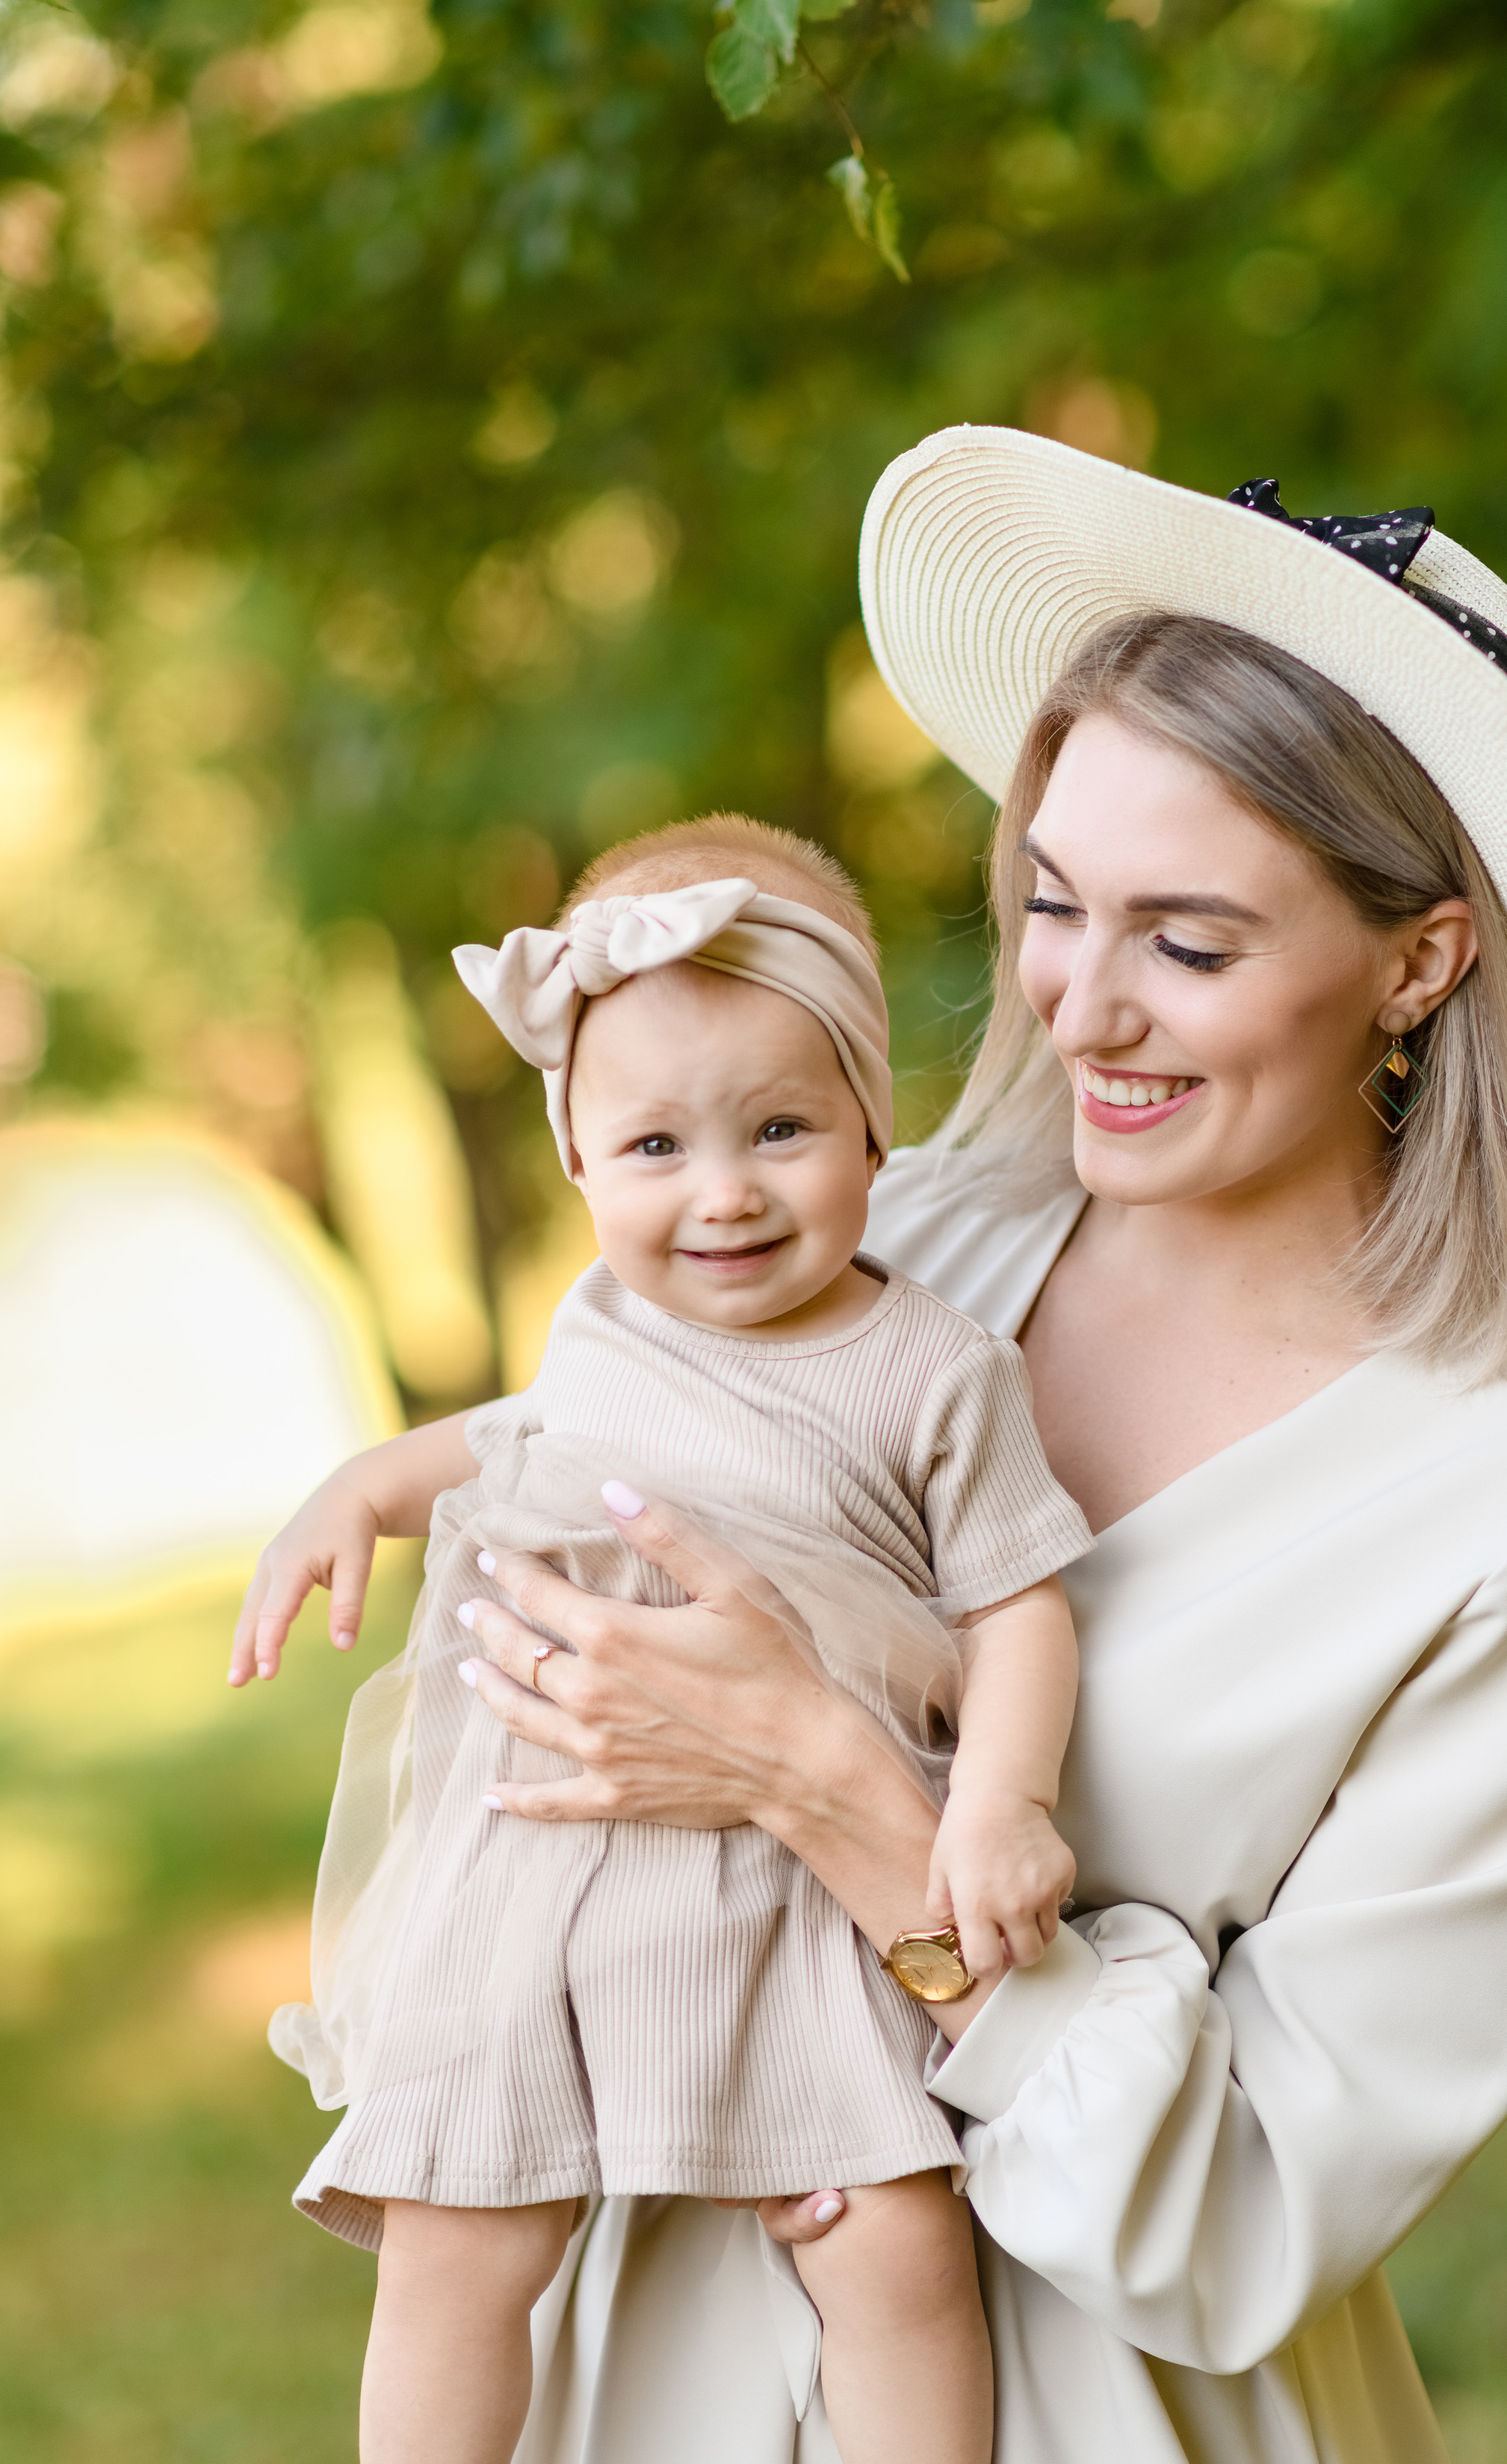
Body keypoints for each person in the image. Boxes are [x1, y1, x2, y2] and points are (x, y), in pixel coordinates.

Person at [436, 428, 1507, 2464]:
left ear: (1420, 959)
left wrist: (841, 1798)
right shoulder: (903, 1234)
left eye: (1190, 944)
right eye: (1053, 905)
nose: (1080, 1012)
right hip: (658, 2361)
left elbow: (1250, 2211)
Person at [229, 813, 1092, 2464]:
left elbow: (1015, 1604)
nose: (724, 1196)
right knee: (453, 2240)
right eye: (653, 1152)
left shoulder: (933, 1367)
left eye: (780, 1128)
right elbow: (519, 1438)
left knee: (892, 2245)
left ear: (871, 1121)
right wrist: (357, 1487)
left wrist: (1001, 1801)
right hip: (543, 1867)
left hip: (790, 1887)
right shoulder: (603, 1330)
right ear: (575, 1160)